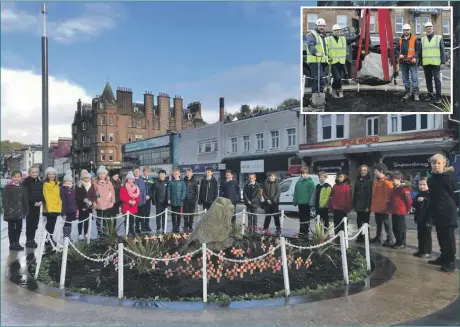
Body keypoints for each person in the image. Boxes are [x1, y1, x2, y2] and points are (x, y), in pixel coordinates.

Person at [426, 153, 458, 272]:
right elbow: (432, 197)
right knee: (441, 237)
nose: (436, 165)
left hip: (449, 213)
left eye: (439, 163)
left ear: (444, 164)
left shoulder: (449, 177)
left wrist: (456, 209)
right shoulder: (431, 180)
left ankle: (450, 262)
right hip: (437, 213)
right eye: (434, 163)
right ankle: (443, 257)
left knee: (448, 239)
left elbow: (456, 194)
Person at [325, 24, 360, 98]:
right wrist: (327, 57)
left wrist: (359, 35)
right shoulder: (328, 39)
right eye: (335, 30)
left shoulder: (343, 39)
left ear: (340, 31)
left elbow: (352, 39)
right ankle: (336, 90)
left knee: (338, 78)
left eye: (338, 30)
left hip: (341, 62)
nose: (337, 31)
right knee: (337, 78)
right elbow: (324, 49)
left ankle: (338, 90)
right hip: (333, 62)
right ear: (332, 31)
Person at [420, 22, 446, 104]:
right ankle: (430, 96)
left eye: (429, 29)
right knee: (428, 80)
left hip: (435, 63)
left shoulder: (438, 38)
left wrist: (443, 61)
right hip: (426, 63)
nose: (428, 30)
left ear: (432, 29)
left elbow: (442, 50)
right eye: (427, 29)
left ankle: (438, 97)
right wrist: (420, 62)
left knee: (437, 80)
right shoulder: (422, 39)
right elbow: (421, 51)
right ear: (425, 30)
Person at [2, 170, 28, 250]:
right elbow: (4, 200)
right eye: (15, 177)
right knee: (11, 228)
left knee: (19, 228)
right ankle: (12, 244)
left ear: (21, 178)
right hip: (11, 212)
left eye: (18, 177)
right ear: (12, 177)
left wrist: (26, 211)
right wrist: (8, 210)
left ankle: (17, 242)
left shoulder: (23, 187)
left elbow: (25, 200)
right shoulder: (8, 187)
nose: (16, 178)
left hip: (20, 212)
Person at [305, 18, 328, 105]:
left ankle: (319, 99)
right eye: (320, 25)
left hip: (321, 62)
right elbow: (310, 45)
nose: (321, 27)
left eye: (323, 26)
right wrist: (315, 52)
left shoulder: (323, 36)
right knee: (317, 79)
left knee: (320, 80)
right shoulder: (312, 34)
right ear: (317, 26)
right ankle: (316, 100)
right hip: (315, 61)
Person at [370, 163, 395, 247]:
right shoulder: (376, 182)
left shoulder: (387, 182)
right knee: (378, 223)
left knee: (387, 223)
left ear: (381, 171)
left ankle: (390, 239)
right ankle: (378, 237)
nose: (374, 172)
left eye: (375, 171)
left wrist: (388, 207)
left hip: (384, 207)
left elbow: (389, 196)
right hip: (377, 206)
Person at [395, 24, 421, 101]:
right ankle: (408, 92)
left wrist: (415, 57)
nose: (406, 31)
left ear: (409, 30)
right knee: (405, 78)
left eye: (407, 30)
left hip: (412, 62)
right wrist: (399, 54)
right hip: (403, 62)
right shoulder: (400, 40)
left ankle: (416, 94)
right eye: (405, 30)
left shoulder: (414, 39)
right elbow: (396, 50)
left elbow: (418, 50)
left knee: (414, 78)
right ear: (403, 31)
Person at [89, 165, 115, 238]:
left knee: (105, 219)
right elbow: (92, 193)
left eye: (103, 174)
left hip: (107, 203)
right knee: (99, 219)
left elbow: (112, 192)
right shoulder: (95, 183)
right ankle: (99, 232)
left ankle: (105, 232)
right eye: (100, 174)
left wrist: (112, 202)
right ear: (98, 175)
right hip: (99, 204)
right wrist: (94, 201)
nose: (102, 175)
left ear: (105, 175)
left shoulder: (109, 183)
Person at [22, 165, 44, 248]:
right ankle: (29, 240)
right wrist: (33, 202)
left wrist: (41, 201)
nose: (34, 174)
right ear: (29, 173)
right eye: (33, 172)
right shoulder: (26, 182)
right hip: (30, 206)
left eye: (36, 172)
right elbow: (26, 194)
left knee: (35, 223)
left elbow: (41, 193)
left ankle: (32, 239)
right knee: (30, 223)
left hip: (38, 206)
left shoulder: (39, 182)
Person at [389, 171, 412, 249]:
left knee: (400, 228)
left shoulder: (404, 188)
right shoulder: (394, 188)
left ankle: (401, 243)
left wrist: (408, 209)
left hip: (400, 211)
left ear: (400, 179)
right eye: (392, 179)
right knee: (395, 228)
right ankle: (398, 241)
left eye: (395, 179)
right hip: (394, 211)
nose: (393, 181)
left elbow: (408, 200)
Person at [292, 167, 316, 238]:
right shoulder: (298, 182)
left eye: (305, 173)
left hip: (307, 203)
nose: (304, 175)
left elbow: (313, 194)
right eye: (302, 174)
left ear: (308, 174)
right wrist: (294, 201)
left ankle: (306, 231)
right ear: (301, 174)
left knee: (306, 218)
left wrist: (311, 203)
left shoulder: (310, 182)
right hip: (300, 203)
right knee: (301, 218)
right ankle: (301, 231)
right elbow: (295, 192)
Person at [43, 167, 62, 250]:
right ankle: (48, 240)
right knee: (49, 225)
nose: (52, 176)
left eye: (53, 174)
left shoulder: (57, 183)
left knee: (53, 225)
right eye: (50, 174)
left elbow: (58, 196)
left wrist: (59, 207)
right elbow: (46, 196)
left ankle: (50, 238)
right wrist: (49, 208)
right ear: (47, 175)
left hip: (56, 208)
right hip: (49, 208)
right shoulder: (46, 184)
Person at [353, 165, 373, 243]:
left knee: (365, 222)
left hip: (366, 205)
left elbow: (370, 195)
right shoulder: (357, 181)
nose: (363, 172)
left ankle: (366, 236)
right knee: (358, 221)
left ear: (367, 171)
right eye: (362, 170)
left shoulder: (370, 181)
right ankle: (360, 235)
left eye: (364, 170)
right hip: (358, 204)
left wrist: (368, 206)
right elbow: (355, 193)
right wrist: (354, 204)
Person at [413, 177, 431, 258]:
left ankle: (427, 251)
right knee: (420, 235)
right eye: (420, 184)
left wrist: (424, 199)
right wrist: (416, 201)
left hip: (427, 218)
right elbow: (415, 206)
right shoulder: (418, 194)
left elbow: (431, 206)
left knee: (426, 236)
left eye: (424, 184)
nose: (422, 186)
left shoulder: (430, 194)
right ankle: (421, 250)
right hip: (420, 218)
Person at [75, 169, 94, 241]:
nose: (86, 180)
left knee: (87, 221)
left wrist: (91, 201)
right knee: (80, 220)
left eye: (87, 178)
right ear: (82, 178)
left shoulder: (91, 186)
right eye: (84, 178)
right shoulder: (78, 186)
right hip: (81, 206)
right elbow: (76, 196)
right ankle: (80, 233)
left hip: (89, 207)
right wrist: (84, 199)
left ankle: (86, 233)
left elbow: (94, 195)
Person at [168, 168, 187, 233]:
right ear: (173, 174)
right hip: (173, 201)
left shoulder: (182, 182)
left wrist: (182, 198)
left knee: (179, 215)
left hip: (179, 201)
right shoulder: (170, 182)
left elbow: (184, 191)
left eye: (177, 173)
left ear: (179, 174)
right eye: (174, 174)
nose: (176, 175)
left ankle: (178, 227)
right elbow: (168, 191)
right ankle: (174, 227)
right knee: (173, 215)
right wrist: (169, 199)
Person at [60, 171, 77, 240]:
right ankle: (66, 236)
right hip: (66, 210)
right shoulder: (63, 190)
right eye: (66, 182)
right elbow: (63, 201)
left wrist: (75, 209)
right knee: (66, 223)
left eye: (69, 182)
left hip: (72, 210)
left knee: (70, 223)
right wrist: (63, 212)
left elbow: (74, 200)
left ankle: (68, 235)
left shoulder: (73, 190)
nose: (68, 183)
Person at [132, 167, 147, 234]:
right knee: (133, 217)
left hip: (141, 202)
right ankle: (132, 229)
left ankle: (139, 228)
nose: (136, 172)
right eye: (135, 171)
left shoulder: (141, 180)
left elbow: (144, 191)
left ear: (140, 172)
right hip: (133, 202)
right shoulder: (131, 180)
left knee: (140, 216)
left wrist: (144, 201)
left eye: (137, 171)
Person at [183, 168, 198, 233]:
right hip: (185, 200)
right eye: (187, 173)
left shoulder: (194, 181)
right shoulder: (183, 180)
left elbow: (196, 191)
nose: (188, 174)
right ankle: (185, 225)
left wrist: (195, 199)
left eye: (189, 173)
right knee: (185, 213)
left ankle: (190, 225)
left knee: (191, 213)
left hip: (192, 200)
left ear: (192, 173)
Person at [140, 167, 154, 232]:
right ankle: (142, 226)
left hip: (148, 199)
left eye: (148, 172)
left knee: (147, 212)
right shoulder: (141, 179)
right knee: (142, 213)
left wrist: (149, 195)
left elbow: (152, 189)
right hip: (142, 199)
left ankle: (147, 225)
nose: (146, 173)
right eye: (145, 172)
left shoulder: (151, 179)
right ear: (143, 172)